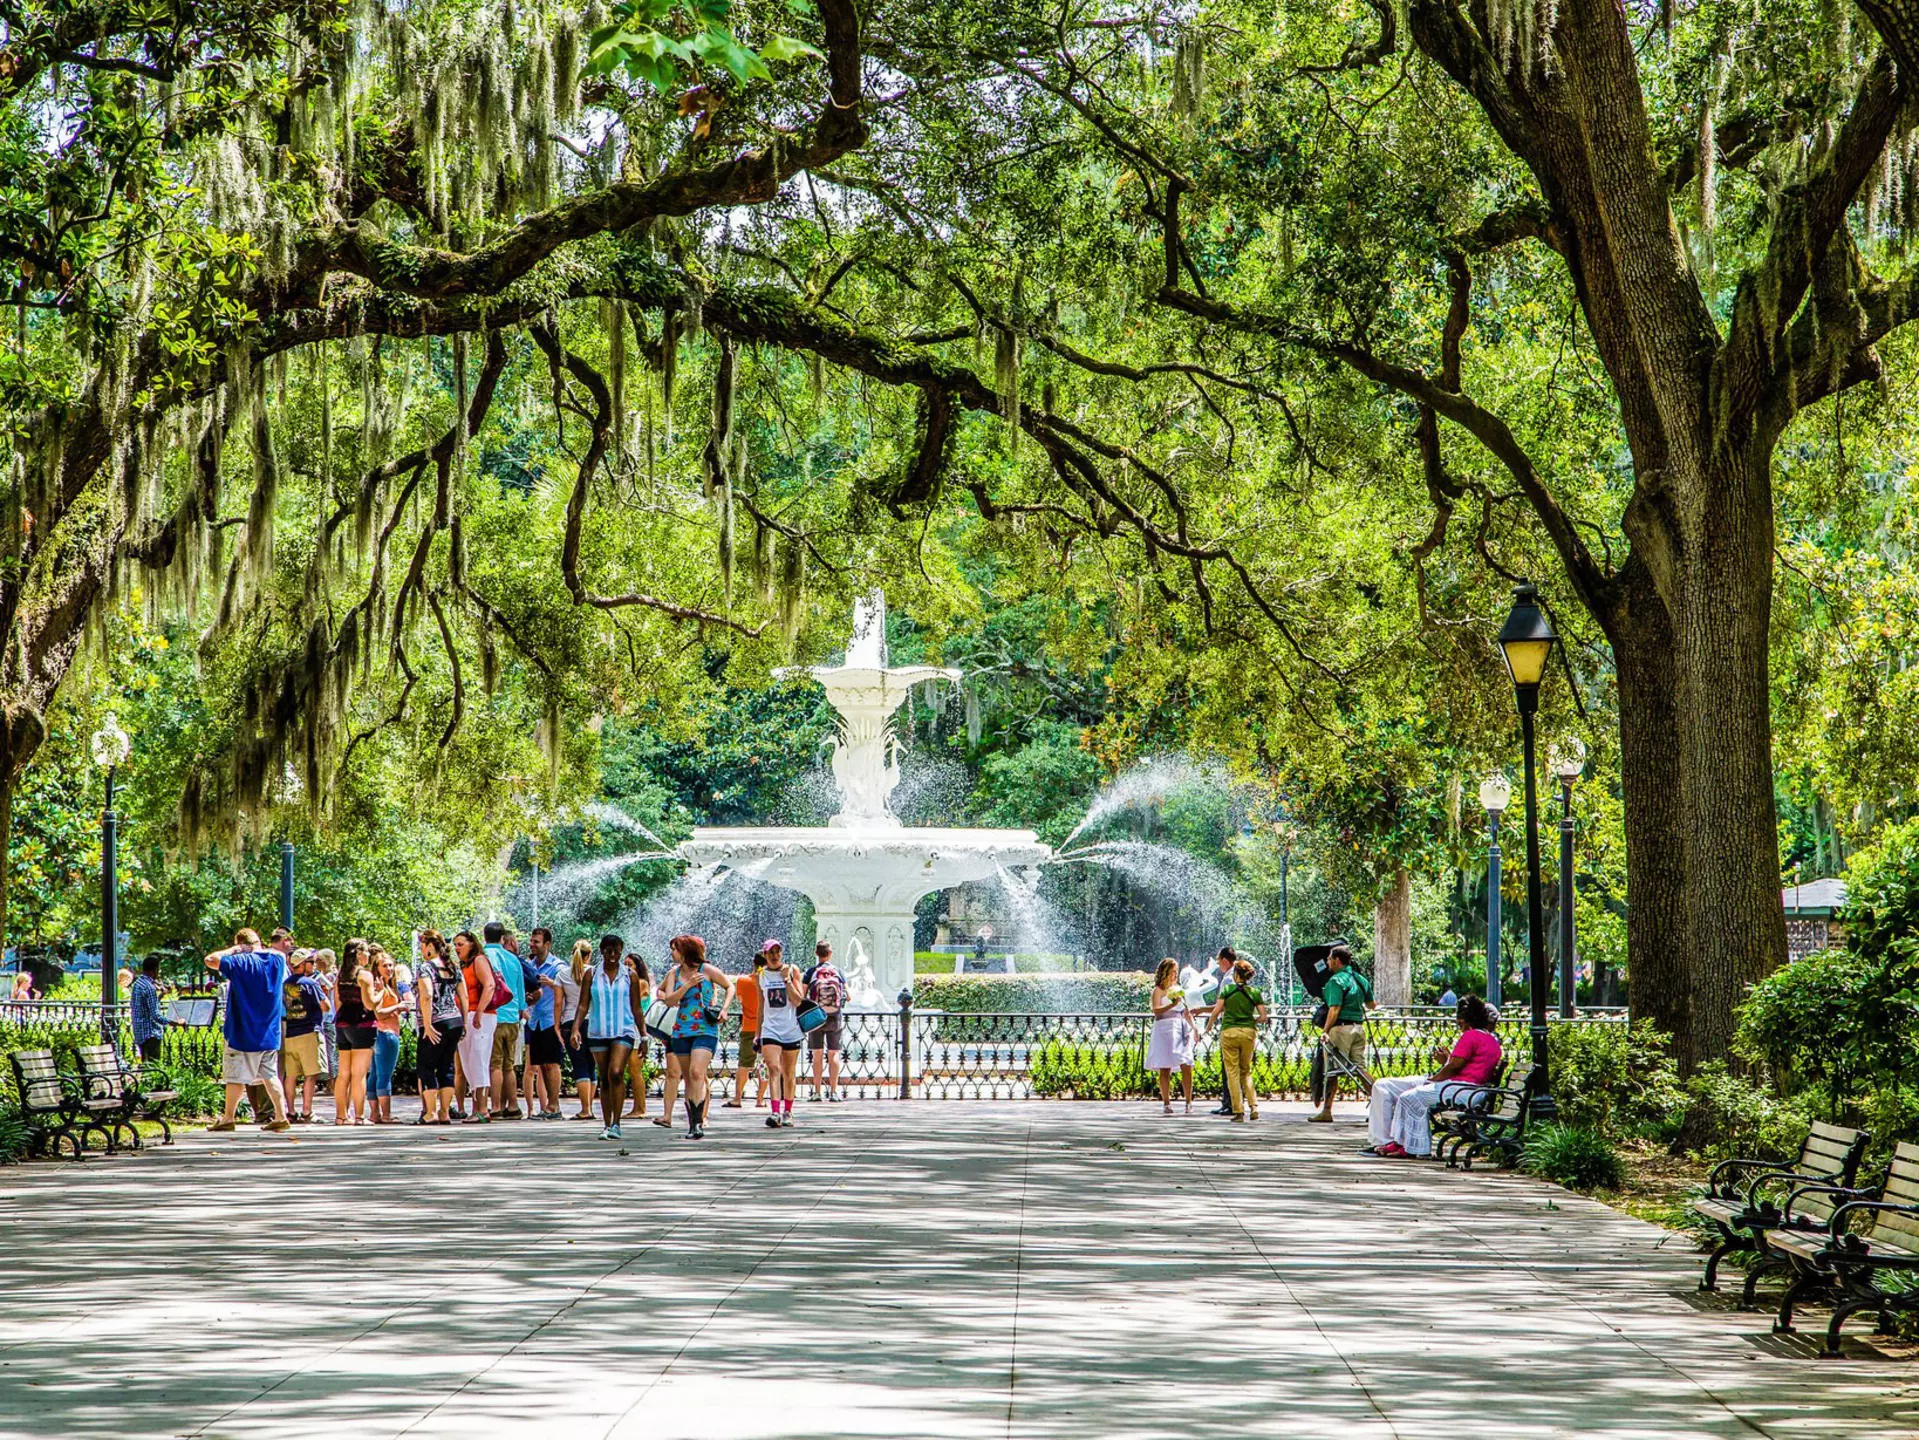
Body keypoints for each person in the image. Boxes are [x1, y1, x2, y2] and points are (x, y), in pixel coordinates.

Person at [1367, 995, 1504, 1158]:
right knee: (1394, 1091)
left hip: (1462, 1089)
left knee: (1411, 1098)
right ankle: (1399, 1143)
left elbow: (1455, 1066)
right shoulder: (1489, 1041)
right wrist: (1443, 1067)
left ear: (1468, 1021)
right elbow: (1463, 1066)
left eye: (1460, 1023)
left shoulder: (1472, 1036)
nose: (1459, 1028)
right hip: (1465, 1088)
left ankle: (1413, 1148)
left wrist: (1433, 1080)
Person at [203, 929, 290, 1132]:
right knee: (270, 1075)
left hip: (242, 1030)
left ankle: (228, 1118)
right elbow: (278, 953)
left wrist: (235, 949)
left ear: (241, 945)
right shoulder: (277, 961)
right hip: (269, 1031)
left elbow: (210, 959)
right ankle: (280, 1115)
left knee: (234, 1076)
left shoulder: (240, 961)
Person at [571, 934, 646, 1140]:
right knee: (604, 1077)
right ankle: (606, 1124)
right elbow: (583, 1004)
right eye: (607, 950)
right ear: (601, 951)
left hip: (623, 1029)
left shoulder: (629, 976)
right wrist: (576, 1028)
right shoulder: (592, 975)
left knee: (615, 1072)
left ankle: (616, 1123)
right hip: (598, 1030)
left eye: (616, 951)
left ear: (621, 951)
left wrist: (644, 1035)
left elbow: (637, 1008)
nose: (612, 955)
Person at [658, 934, 729, 1138]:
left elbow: (729, 986)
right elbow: (670, 1000)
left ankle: (698, 1122)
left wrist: (723, 1009)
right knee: (688, 1078)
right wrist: (687, 985)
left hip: (705, 1028)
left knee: (697, 1072)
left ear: (684, 951)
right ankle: (692, 1124)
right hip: (681, 1030)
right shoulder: (674, 973)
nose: (672, 953)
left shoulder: (706, 970)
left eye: (674, 949)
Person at [1309, 944, 1376, 1124]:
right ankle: (1382, 1104)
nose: (1328, 963)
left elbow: (1335, 1009)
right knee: (1360, 1069)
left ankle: (1327, 1111)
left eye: (1330, 960)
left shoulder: (1336, 981)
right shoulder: (1361, 979)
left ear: (1337, 961)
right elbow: (1371, 1005)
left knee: (1331, 1071)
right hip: (1358, 1029)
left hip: (1340, 1029)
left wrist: (1324, 1032)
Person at [1208, 957, 1268, 1122]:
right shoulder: (1255, 992)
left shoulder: (1227, 990)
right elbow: (1263, 1017)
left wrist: (1208, 1026)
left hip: (1229, 1032)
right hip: (1248, 1033)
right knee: (1246, 1071)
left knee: (1232, 1073)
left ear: (1236, 974)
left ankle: (1239, 1111)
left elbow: (1216, 1011)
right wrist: (1251, 1022)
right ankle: (1254, 1107)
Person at [414, 930, 464, 1125]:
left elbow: (426, 995)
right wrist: (464, 1023)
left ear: (429, 946)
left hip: (435, 1022)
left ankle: (431, 1113)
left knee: (425, 1066)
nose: (420, 949)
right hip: (455, 1021)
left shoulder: (426, 967)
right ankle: (445, 1112)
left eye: (422, 946)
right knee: (446, 1067)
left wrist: (427, 1025)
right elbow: (464, 996)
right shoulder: (452, 967)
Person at [755, 941, 806, 1129]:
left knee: (789, 1072)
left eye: (777, 952)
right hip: (770, 1029)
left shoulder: (792, 971)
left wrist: (787, 981)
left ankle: (788, 1111)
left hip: (791, 1029)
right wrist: (757, 1034)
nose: (775, 956)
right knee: (774, 1068)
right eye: (770, 953)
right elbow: (761, 1007)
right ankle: (775, 1111)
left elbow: (798, 1000)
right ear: (765, 955)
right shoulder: (760, 975)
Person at [455, 929, 501, 1124]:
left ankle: (482, 1109)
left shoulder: (479, 960)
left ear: (472, 944)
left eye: (460, 944)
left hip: (481, 1016)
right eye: (455, 945)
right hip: (466, 1016)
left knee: (479, 1060)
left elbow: (489, 985)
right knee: (468, 1063)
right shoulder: (462, 965)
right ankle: (476, 1108)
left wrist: (480, 1012)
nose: (456, 948)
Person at [330, 939, 379, 1125]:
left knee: (343, 1073)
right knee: (359, 1074)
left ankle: (341, 1116)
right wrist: (381, 993)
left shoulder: (341, 975)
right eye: (366, 952)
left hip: (343, 1024)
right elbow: (369, 1003)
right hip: (362, 1024)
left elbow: (338, 1002)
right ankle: (359, 1116)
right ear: (359, 953)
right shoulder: (364, 975)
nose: (368, 955)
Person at [520, 928, 567, 1119]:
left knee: (552, 1063)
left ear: (547, 944)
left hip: (551, 1020)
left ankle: (554, 1106)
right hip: (534, 1021)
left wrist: (551, 984)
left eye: (536, 942)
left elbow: (567, 990)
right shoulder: (529, 966)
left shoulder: (558, 966)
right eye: (531, 941)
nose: (532, 944)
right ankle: (548, 1106)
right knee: (540, 1066)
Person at [481, 921, 526, 1119]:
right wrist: (521, 1009)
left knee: (494, 1064)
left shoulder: (482, 957)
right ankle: (514, 1106)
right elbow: (520, 989)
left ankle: (496, 1107)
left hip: (492, 1016)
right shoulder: (513, 959)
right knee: (509, 1065)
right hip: (512, 1018)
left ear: (484, 937)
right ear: (502, 938)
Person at [280, 949, 329, 1122]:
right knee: (311, 1073)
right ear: (302, 964)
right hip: (309, 1032)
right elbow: (326, 1007)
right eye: (311, 962)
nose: (314, 966)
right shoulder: (310, 984)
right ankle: (307, 1111)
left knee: (291, 1075)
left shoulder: (286, 983)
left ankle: (291, 1111)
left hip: (291, 1032)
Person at [1146, 957, 1198, 1114]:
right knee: (1165, 1067)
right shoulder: (1158, 990)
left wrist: (1194, 1027)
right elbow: (1156, 1010)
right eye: (1172, 972)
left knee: (1187, 1064)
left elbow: (1186, 1011)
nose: (1175, 975)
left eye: (1176, 972)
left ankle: (1188, 1102)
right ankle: (1166, 1103)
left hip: (1180, 1027)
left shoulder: (1178, 990)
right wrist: (1171, 1004)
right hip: (1164, 1029)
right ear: (1165, 972)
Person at [724, 945, 767, 1109]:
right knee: (764, 1064)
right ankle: (760, 1099)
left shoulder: (743, 980)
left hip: (748, 1026)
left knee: (744, 1064)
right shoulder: (768, 981)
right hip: (767, 1028)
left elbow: (740, 999)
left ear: (753, 963)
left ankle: (737, 1098)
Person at [805, 941, 847, 1101]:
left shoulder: (811, 972)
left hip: (816, 1016)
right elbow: (847, 995)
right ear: (830, 953)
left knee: (817, 1054)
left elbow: (802, 994)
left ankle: (816, 1092)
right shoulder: (838, 972)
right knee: (833, 1053)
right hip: (834, 1016)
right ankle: (834, 1092)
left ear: (816, 954)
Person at [368, 948, 405, 1124]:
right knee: (384, 1075)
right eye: (385, 966)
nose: (389, 968)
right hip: (386, 1034)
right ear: (377, 968)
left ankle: (375, 1114)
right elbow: (379, 1013)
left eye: (391, 965)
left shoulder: (387, 985)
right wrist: (399, 1006)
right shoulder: (379, 986)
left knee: (375, 1074)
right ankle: (386, 1114)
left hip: (380, 1034)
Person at [563, 939, 596, 1121]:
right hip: (593, 1022)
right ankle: (588, 1107)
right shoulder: (595, 973)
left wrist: (556, 1025)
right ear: (589, 955)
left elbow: (559, 1003)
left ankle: (585, 1109)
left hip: (570, 1022)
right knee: (591, 1066)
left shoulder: (563, 974)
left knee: (579, 1065)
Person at [1203, 947, 1239, 1114]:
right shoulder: (1237, 975)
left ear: (1225, 960)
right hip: (1240, 1025)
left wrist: (1204, 1016)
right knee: (1234, 1067)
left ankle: (1230, 1104)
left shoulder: (1228, 979)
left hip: (1230, 1025)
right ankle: (1230, 1103)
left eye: (1218, 961)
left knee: (1229, 1067)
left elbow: (1221, 1006)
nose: (1218, 965)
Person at [130, 955, 166, 1063]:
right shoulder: (149, 987)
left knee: (145, 1064)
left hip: (140, 1032)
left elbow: (146, 1006)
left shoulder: (138, 984)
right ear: (155, 970)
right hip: (151, 1034)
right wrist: (175, 1022)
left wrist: (160, 996)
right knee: (153, 1066)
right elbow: (155, 1015)